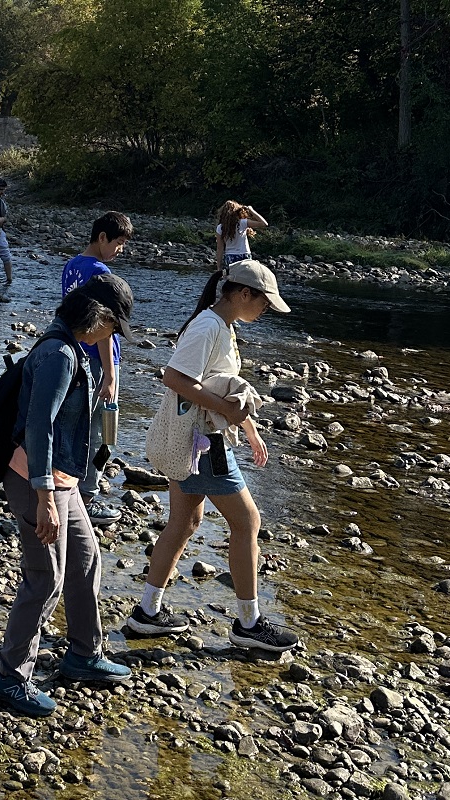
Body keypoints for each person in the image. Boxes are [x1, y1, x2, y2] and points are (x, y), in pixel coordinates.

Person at [126, 259, 301, 653]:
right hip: (204, 444)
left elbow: (220, 386)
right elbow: (173, 378)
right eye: (264, 303)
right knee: (247, 522)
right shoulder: (208, 326)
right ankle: (248, 624)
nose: (265, 310)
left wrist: (248, 427)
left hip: (195, 440)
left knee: (184, 523)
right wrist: (234, 413)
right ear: (243, 294)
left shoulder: (221, 325)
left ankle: (147, 614)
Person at [0, 273, 136, 716]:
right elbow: (38, 427)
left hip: (62, 481)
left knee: (87, 559)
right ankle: (8, 676)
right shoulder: (58, 355)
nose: (111, 335)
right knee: (44, 577)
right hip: (38, 482)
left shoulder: (72, 346)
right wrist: (45, 498)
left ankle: (84, 655)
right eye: (113, 326)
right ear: (98, 316)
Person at [61, 211, 133, 526]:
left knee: (72, 427)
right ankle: (87, 498)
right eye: (118, 243)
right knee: (98, 431)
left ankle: (66, 489)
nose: (120, 250)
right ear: (102, 237)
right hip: (96, 360)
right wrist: (111, 372)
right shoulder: (100, 272)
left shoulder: (71, 266)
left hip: (75, 353)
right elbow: (103, 327)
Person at [215, 201, 268, 268]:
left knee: (231, 278)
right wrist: (251, 210)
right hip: (245, 255)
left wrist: (218, 267)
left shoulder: (220, 227)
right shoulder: (243, 223)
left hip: (230, 256)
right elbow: (264, 224)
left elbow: (220, 249)